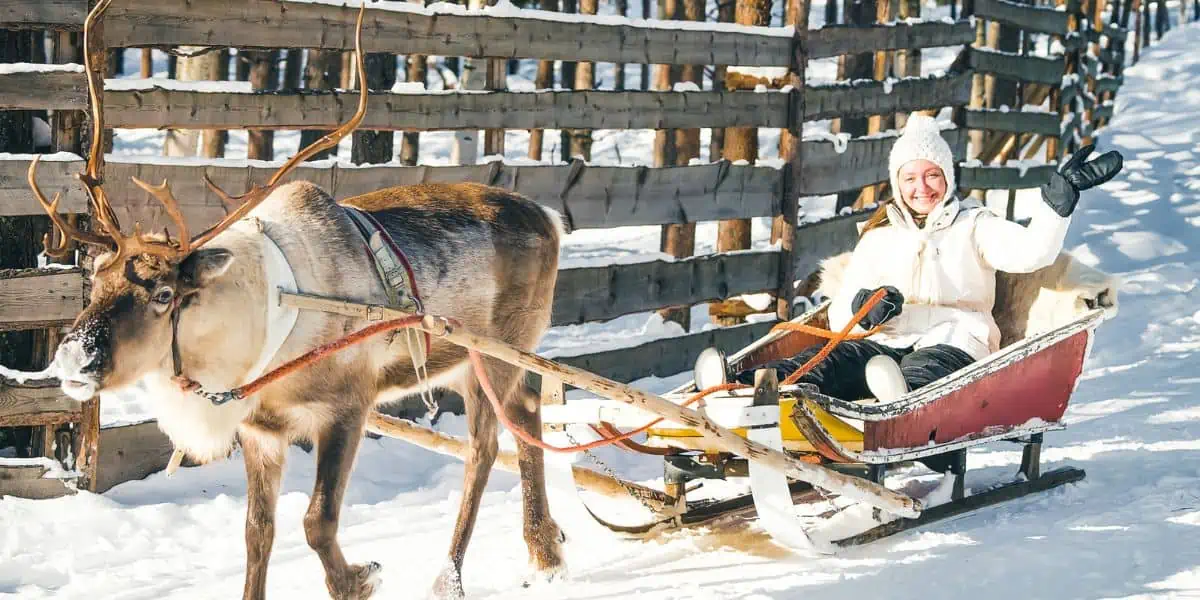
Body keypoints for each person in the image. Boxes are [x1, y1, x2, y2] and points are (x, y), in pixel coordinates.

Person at [694, 113, 1123, 404]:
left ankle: (898, 408)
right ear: (897, 183)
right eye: (911, 177)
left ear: (947, 178)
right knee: (829, 361)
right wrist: (866, 306)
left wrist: (1055, 208)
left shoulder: (975, 224)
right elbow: (843, 308)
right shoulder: (880, 235)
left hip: (956, 340)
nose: (923, 187)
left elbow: (1033, 253)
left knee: (923, 370)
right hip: (886, 338)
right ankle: (741, 387)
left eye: (933, 175)